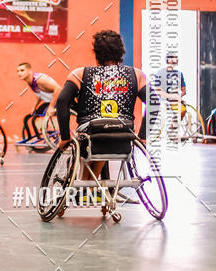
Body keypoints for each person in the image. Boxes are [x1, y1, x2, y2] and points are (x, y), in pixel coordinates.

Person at [52, 30, 150, 179]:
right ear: (121, 52)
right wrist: (143, 136)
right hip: (123, 137)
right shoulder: (136, 74)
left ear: (96, 53)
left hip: (91, 137)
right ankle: (90, 187)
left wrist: (65, 137)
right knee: (108, 132)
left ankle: (86, 186)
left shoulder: (80, 74)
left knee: (94, 134)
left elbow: (61, 101)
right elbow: (154, 102)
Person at [16, 62, 61, 143]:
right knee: (29, 117)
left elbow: (58, 89)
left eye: (22, 70)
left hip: (60, 101)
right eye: (18, 71)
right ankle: (34, 137)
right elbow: (39, 93)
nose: (19, 73)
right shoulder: (30, 81)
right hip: (49, 101)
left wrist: (51, 107)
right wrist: (34, 107)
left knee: (37, 117)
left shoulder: (40, 79)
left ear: (29, 71)